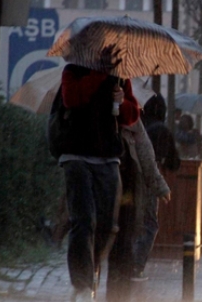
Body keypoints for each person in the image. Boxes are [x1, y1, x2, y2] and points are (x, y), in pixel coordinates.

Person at [50, 57, 140, 302]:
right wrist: (98, 75)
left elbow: (131, 117)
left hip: (108, 157)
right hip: (76, 155)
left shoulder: (120, 77)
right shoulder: (73, 71)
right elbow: (72, 98)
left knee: (109, 224)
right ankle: (82, 285)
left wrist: (122, 102)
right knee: (84, 220)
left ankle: (91, 268)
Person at [107, 118, 171, 300]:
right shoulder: (130, 118)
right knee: (121, 237)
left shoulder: (131, 117)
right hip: (121, 185)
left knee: (120, 238)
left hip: (125, 187)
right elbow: (147, 157)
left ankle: (112, 289)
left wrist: (160, 185)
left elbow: (145, 154)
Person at [130, 94, 181, 281]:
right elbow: (174, 163)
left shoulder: (135, 124)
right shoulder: (161, 130)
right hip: (149, 179)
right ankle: (136, 266)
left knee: (130, 220)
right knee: (149, 224)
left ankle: (123, 261)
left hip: (127, 176)